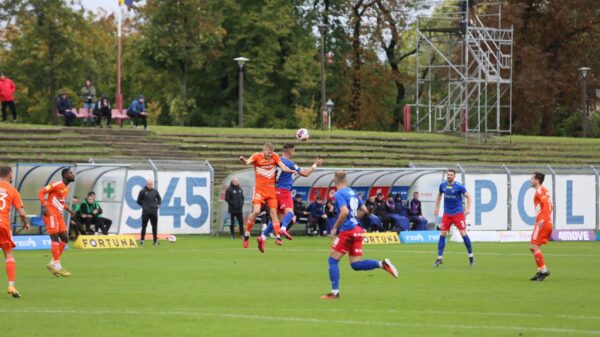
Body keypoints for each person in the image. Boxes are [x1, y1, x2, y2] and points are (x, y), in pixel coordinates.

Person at [321, 171, 398, 299]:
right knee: (355, 265)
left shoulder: (339, 194)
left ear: (335, 181)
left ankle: (335, 292)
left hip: (348, 231)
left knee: (332, 260)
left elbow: (344, 211)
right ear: (345, 180)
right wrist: (353, 218)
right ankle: (381, 264)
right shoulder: (352, 192)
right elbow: (364, 210)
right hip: (357, 229)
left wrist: (335, 227)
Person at [259, 143, 322, 250]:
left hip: (274, 191)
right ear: (289, 151)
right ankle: (283, 229)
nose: (294, 153)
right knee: (291, 214)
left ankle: (263, 237)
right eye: (294, 151)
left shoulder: (276, 160)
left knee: (277, 219)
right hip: (284, 191)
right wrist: (315, 165)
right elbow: (305, 173)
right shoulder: (289, 163)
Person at [237, 142, 294, 251]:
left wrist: (290, 170)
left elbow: (283, 166)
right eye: (268, 153)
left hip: (271, 190)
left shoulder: (275, 156)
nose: (269, 155)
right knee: (256, 211)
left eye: (271, 153)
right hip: (259, 189)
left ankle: (278, 237)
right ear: (264, 150)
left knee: (274, 213)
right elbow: (248, 162)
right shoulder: (256, 156)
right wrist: (244, 160)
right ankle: (247, 235)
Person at [38, 168, 76, 277]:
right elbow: (41, 192)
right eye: (70, 173)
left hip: (58, 215)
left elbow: (60, 202)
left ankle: (52, 263)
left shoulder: (66, 188)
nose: (73, 175)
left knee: (65, 238)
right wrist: (44, 206)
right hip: (51, 214)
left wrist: (68, 210)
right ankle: (58, 266)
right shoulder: (56, 184)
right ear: (65, 175)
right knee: (55, 238)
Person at [433, 169, 474, 267]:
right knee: (442, 233)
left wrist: (468, 209)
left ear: (454, 176)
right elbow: (439, 195)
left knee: (463, 233)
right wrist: (436, 207)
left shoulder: (459, 186)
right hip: (447, 214)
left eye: (451, 175)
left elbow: (469, 196)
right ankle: (439, 258)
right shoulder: (442, 186)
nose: (449, 176)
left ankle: (471, 257)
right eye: (448, 175)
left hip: (458, 213)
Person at [0, 166, 30, 298]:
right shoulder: (12, 190)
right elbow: (22, 212)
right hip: (3, 224)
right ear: (10, 175)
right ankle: (11, 285)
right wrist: (25, 223)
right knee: (9, 255)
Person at [529, 172, 553, 281]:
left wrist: (543, 219)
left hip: (542, 222)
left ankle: (543, 271)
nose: (530, 180)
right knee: (533, 247)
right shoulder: (545, 191)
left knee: (534, 247)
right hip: (545, 222)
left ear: (537, 180)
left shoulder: (540, 192)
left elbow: (547, 205)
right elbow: (551, 205)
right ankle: (540, 270)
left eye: (532, 178)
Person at [137, 179, 162, 245]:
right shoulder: (142, 191)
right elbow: (138, 201)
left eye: (151, 184)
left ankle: (155, 240)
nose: (150, 185)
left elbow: (159, 199)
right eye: (149, 184)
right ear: (146, 184)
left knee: (154, 226)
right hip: (146, 212)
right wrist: (144, 206)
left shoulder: (155, 191)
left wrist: (158, 205)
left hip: (154, 211)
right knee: (144, 226)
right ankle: (142, 240)